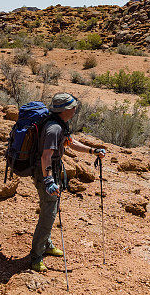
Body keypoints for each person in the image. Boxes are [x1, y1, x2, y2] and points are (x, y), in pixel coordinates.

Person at [30, 93, 106, 272]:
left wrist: (92, 151)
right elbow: (46, 156)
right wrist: (49, 181)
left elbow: (70, 143)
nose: (75, 109)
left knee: (51, 208)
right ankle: (36, 256)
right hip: (45, 173)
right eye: (73, 107)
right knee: (48, 213)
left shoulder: (60, 124)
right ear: (64, 110)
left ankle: (46, 244)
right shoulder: (54, 129)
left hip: (51, 171)